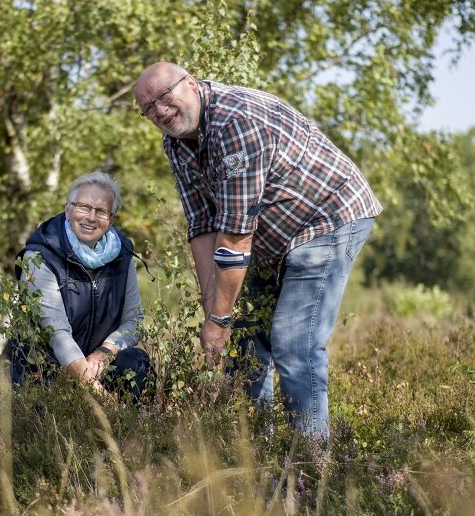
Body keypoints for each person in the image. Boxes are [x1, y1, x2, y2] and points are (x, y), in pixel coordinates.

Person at [134, 62, 382, 438]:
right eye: (148, 109)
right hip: (271, 239)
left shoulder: (236, 122)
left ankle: (312, 461)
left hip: (327, 217)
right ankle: (255, 448)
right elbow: (203, 226)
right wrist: (214, 313)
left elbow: (234, 236)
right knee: (245, 337)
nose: (160, 112)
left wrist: (218, 322)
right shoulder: (175, 144)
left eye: (164, 97)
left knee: (294, 342)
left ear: (190, 83)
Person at [8, 171, 150, 396]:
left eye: (101, 211)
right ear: (68, 209)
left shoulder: (122, 255)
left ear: (111, 219)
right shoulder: (39, 257)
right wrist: (105, 404)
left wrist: (104, 353)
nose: (91, 217)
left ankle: (138, 430)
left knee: (136, 361)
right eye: (83, 207)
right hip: (45, 369)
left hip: (96, 364)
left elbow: (134, 320)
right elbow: (57, 333)